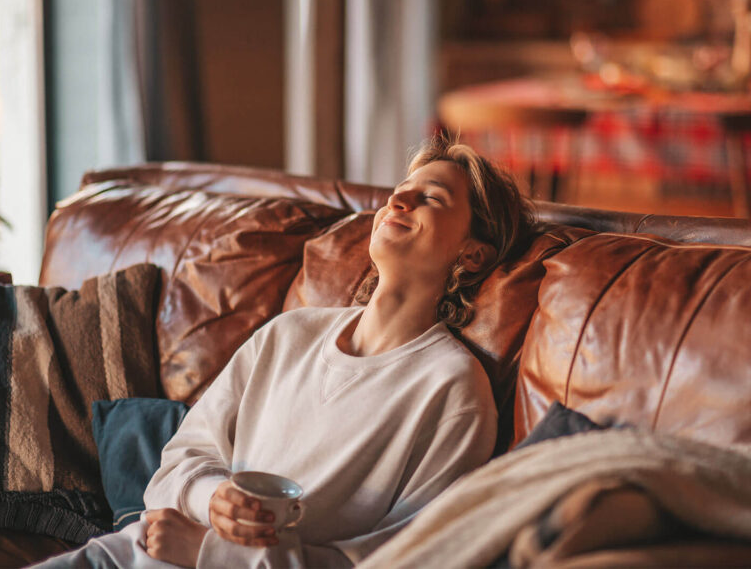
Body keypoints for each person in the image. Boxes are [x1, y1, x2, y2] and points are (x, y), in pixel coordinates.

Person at [35, 135, 535, 568]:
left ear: (472, 253)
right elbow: (176, 464)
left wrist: (212, 554)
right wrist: (211, 501)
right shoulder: (289, 333)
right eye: (399, 192)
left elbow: (407, 557)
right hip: (128, 553)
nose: (399, 202)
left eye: (431, 198)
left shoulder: (453, 389)